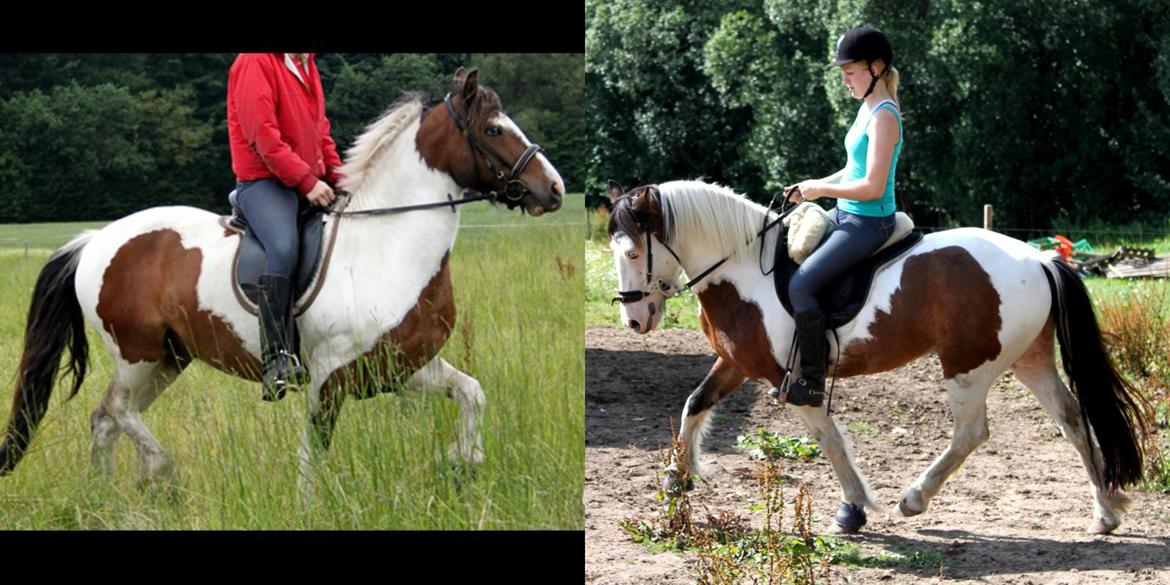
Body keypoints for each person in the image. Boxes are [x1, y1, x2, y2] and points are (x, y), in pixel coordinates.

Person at [784, 26, 903, 407]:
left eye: (850, 73)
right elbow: (852, 170)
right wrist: (812, 184)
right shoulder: (866, 108)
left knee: (801, 286)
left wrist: (823, 191)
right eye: (843, 74)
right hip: (844, 213)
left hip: (869, 222)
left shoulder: (885, 116)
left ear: (876, 68)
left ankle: (813, 381)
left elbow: (871, 186)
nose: (845, 81)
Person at [227, 52, 343, 401]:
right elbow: (262, 136)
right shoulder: (255, 61)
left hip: (305, 178)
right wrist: (307, 183)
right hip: (263, 183)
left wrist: (340, 175)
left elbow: (320, 132)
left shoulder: (307, 64)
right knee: (282, 246)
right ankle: (276, 359)